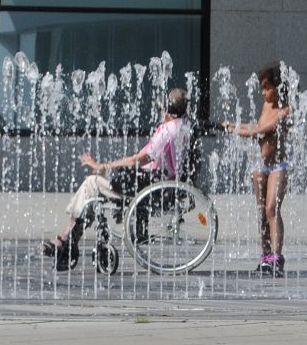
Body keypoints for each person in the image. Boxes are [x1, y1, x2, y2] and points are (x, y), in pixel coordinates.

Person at [38, 87, 192, 270]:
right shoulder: (185, 126)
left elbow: (137, 159)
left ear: (167, 111)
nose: (161, 112)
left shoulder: (167, 131)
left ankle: (66, 241)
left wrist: (102, 166)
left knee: (91, 184)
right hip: (166, 185)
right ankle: (69, 242)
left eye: (162, 109)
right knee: (96, 189)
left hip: (150, 188)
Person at [223, 62, 291, 277]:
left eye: (267, 87)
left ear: (278, 87)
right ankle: (265, 257)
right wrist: (232, 126)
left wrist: (234, 128)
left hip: (279, 166)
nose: (263, 93)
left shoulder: (285, 111)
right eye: (262, 88)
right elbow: (255, 127)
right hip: (261, 166)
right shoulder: (266, 107)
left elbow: (261, 130)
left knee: (272, 208)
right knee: (262, 212)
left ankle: (277, 259)